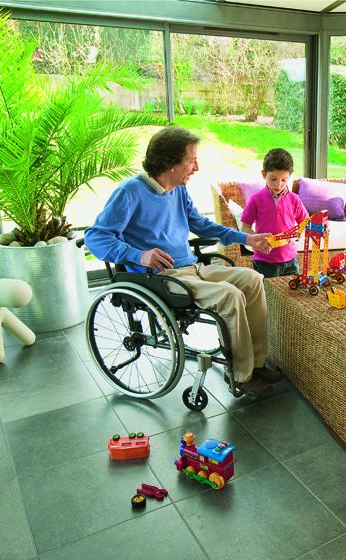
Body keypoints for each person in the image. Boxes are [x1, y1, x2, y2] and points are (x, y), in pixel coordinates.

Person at [85, 126, 283, 397]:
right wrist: (140, 255)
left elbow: (200, 224)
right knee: (229, 295)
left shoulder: (178, 190)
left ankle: (256, 364)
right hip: (162, 278)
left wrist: (247, 238)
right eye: (191, 160)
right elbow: (96, 237)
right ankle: (241, 375)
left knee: (252, 279)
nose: (197, 167)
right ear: (170, 163)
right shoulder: (130, 192)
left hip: (193, 268)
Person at [240, 148, 309, 277]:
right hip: (264, 261)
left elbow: (305, 222)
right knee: (267, 290)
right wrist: (258, 241)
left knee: (291, 290)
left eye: (284, 180)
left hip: (291, 260)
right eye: (273, 179)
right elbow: (245, 227)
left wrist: (297, 235)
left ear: (290, 176)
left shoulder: (294, 199)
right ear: (264, 174)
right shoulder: (255, 200)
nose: (278, 184)